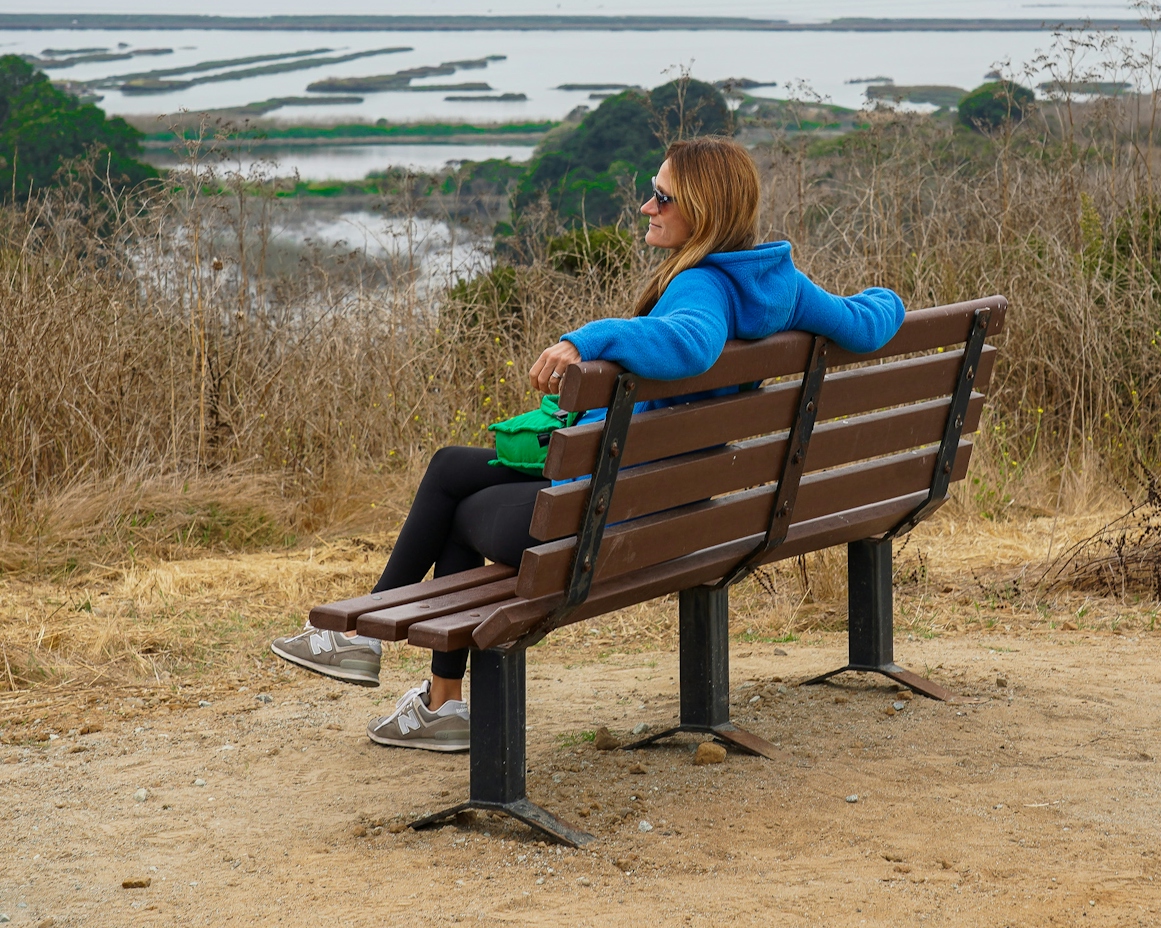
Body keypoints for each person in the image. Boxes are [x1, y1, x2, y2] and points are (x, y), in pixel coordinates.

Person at [271, 136, 905, 751]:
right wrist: (892, 298)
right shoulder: (782, 286)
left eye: (662, 197)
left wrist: (586, 338)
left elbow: (691, 342)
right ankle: (390, 660)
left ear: (704, 213)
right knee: (451, 468)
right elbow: (864, 320)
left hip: (618, 515)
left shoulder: (700, 286)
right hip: (676, 501)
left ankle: (431, 693)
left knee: (460, 516)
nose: (646, 207)